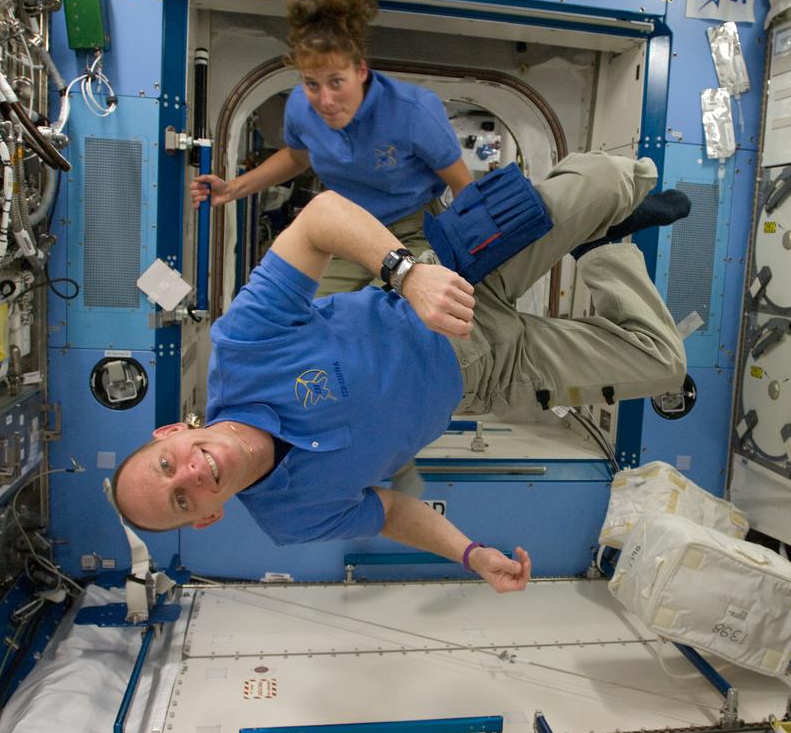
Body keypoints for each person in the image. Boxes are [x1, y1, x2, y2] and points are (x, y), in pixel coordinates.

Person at [113, 152, 690, 594]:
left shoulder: (242, 347)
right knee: (663, 363)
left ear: (171, 433)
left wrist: (406, 274)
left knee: (623, 177)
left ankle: (600, 209)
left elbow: (320, 217)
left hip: (454, 280)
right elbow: (390, 512)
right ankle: (605, 248)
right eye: (182, 502)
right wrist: (470, 554)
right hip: (487, 375)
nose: (188, 476)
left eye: (167, 465)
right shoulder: (291, 519)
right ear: (210, 517)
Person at [190, 0, 473, 296]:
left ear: (361, 71)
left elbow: (463, 186)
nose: (325, 100)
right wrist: (232, 189)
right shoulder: (300, 107)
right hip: (348, 230)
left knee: (389, 320)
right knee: (310, 315)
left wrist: (468, 255)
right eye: (312, 84)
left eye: (336, 82)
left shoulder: (414, 111)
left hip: (414, 230)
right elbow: (297, 157)